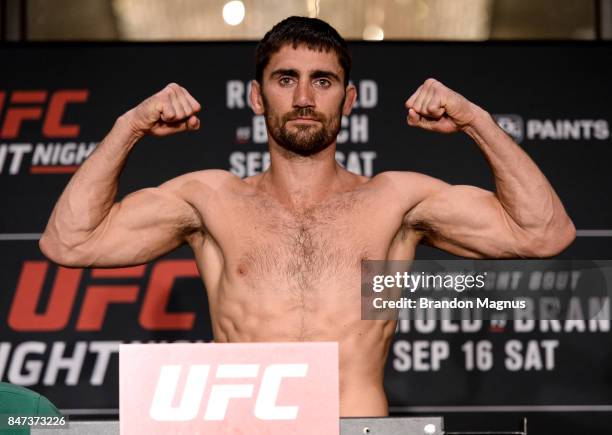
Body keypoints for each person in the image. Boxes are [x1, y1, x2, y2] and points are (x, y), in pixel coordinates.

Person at [39, 16, 575, 417]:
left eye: (322, 81)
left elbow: (543, 232)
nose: (302, 97)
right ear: (256, 95)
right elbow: (71, 243)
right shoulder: (210, 200)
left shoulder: (396, 201)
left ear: (349, 99)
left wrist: (475, 121)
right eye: (285, 78)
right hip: (243, 430)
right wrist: (128, 126)